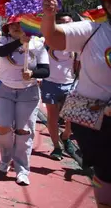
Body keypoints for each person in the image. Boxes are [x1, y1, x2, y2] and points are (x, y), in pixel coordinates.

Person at [41, 0, 111, 208]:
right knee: (107, 174)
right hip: (98, 122)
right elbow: (53, 37)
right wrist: (49, 15)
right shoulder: (92, 30)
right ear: (107, 5)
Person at [0, 15, 49, 186]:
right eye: (12, 25)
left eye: (20, 24)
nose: (16, 27)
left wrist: (32, 74)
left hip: (28, 92)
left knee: (24, 131)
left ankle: (22, 170)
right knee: (3, 128)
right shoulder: (3, 40)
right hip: (4, 90)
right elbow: (0, 52)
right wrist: (19, 42)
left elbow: (45, 70)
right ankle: (5, 158)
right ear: (7, 28)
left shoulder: (37, 43)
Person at [41, 12, 77, 161]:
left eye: (68, 22)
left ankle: (66, 136)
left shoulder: (77, 42)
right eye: (62, 23)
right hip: (50, 83)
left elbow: (79, 64)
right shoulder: (46, 41)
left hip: (70, 84)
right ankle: (57, 147)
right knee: (53, 117)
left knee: (72, 118)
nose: (66, 26)